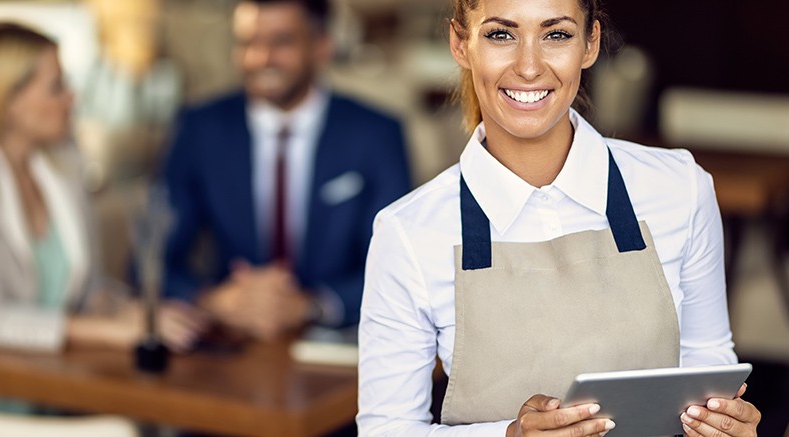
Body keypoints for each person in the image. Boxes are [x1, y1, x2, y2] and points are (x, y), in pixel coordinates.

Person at [357, 0, 762, 436]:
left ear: (590, 44)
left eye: (556, 34)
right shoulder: (407, 232)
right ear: (461, 44)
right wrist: (509, 435)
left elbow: (708, 365)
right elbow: (386, 429)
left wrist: (723, 424)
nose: (529, 67)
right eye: (500, 34)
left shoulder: (681, 188)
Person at [0, 22, 207, 435]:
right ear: (8, 100)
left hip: (40, 387)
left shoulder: (61, 165)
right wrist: (113, 333)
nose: (72, 98)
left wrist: (138, 314)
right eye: (56, 87)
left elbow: (85, 290)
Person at [160, 0, 411, 340]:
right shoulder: (201, 130)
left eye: (281, 41)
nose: (261, 59)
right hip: (230, 342)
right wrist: (213, 300)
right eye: (248, 43)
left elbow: (399, 266)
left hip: (340, 344)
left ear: (322, 46)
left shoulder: (375, 134)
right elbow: (151, 260)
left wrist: (314, 305)